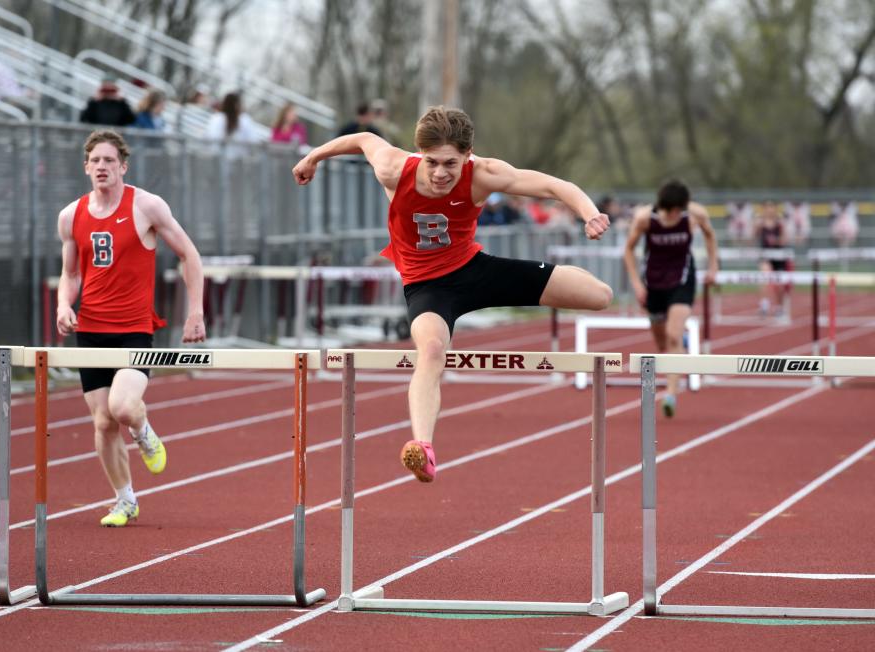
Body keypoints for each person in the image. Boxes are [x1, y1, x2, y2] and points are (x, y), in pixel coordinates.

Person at [293, 105, 613, 483]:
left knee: (599, 295)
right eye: (432, 162)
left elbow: (555, 187)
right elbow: (363, 139)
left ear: (468, 155)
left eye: (450, 163)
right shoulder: (394, 169)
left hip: (476, 271)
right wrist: (313, 156)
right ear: (419, 154)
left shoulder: (485, 173)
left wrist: (588, 212)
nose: (441, 173)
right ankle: (423, 448)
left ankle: (558, 274)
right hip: (427, 288)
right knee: (430, 350)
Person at [56, 130, 205, 526]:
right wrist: (62, 305)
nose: (102, 167)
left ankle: (143, 431)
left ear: (123, 165)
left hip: (134, 329)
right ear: (86, 167)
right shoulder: (72, 215)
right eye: (95, 161)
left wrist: (195, 312)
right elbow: (70, 273)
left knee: (123, 408)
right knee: (103, 422)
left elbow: (189, 254)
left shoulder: (147, 206)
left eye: (109, 161)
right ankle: (124, 499)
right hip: (90, 331)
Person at [623, 180, 718, 418]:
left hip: (682, 277)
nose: (677, 214)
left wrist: (713, 266)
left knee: (673, 335)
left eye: (680, 210)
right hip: (653, 281)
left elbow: (710, 234)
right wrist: (636, 284)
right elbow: (628, 250)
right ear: (666, 207)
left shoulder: (694, 214)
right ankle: (678, 344)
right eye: (674, 211)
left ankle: (671, 394)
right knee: (662, 342)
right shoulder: (645, 219)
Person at [753, 200, 791, 316]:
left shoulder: (779, 223)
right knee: (764, 278)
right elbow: (753, 235)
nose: (769, 210)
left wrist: (776, 241)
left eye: (771, 207)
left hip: (778, 256)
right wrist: (757, 224)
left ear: (774, 209)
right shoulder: (760, 223)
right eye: (766, 207)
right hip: (765, 255)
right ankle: (764, 305)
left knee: (778, 284)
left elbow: (785, 239)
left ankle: (780, 307)